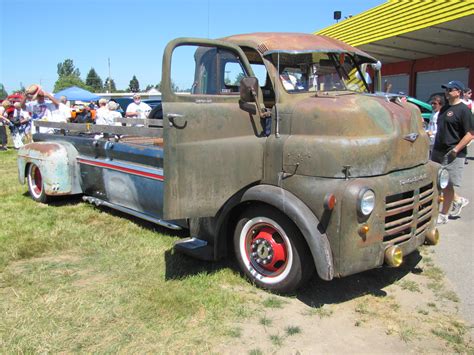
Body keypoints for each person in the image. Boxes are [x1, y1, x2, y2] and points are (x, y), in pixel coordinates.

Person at [431, 80, 474, 224]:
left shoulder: (464, 110)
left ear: (458, 92)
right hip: (437, 151)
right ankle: (455, 202)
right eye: (446, 89)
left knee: (447, 184)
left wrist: (456, 149)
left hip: (453, 153)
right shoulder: (444, 109)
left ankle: (444, 215)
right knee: (437, 182)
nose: (447, 92)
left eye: (450, 89)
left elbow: (470, 133)